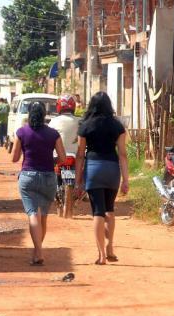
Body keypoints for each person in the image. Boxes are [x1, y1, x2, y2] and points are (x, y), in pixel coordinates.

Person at [75, 92, 129, 266]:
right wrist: (126, 180)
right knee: (110, 210)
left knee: (98, 211)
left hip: (94, 169)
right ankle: (110, 247)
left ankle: (101, 256)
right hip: (112, 169)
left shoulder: (85, 126)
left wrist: (78, 180)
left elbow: (80, 155)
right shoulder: (117, 126)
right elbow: (122, 154)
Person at [12, 102, 66, 266]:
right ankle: (37, 252)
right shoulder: (53, 134)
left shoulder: (21, 132)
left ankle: (39, 253)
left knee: (32, 215)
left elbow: (14, 158)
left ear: (29, 114)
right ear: (44, 115)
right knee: (43, 217)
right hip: (49, 178)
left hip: (28, 178)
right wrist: (51, 159)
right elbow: (63, 159)